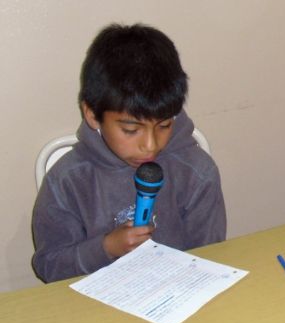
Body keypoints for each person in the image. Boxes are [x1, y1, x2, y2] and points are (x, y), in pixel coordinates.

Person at [32, 23, 226, 283]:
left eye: (164, 125)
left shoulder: (196, 171)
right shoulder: (68, 180)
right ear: (92, 115)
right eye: (130, 129)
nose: (150, 145)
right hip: (95, 306)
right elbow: (50, 266)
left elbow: (209, 255)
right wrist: (106, 248)